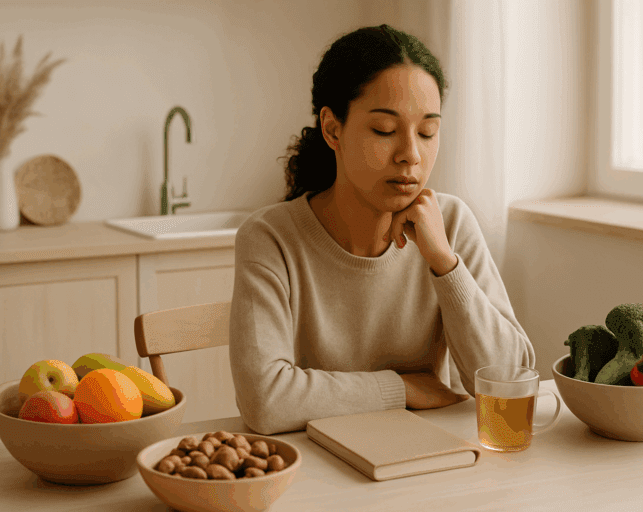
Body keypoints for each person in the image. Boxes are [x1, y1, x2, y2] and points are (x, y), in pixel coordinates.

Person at [229, 24, 535, 435]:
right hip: (317, 469)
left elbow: (512, 380)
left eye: (427, 132)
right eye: (384, 131)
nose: (411, 155)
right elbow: (264, 401)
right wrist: (401, 388)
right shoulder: (270, 238)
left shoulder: (452, 222)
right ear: (332, 128)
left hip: (429, 459)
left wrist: (445, 264)